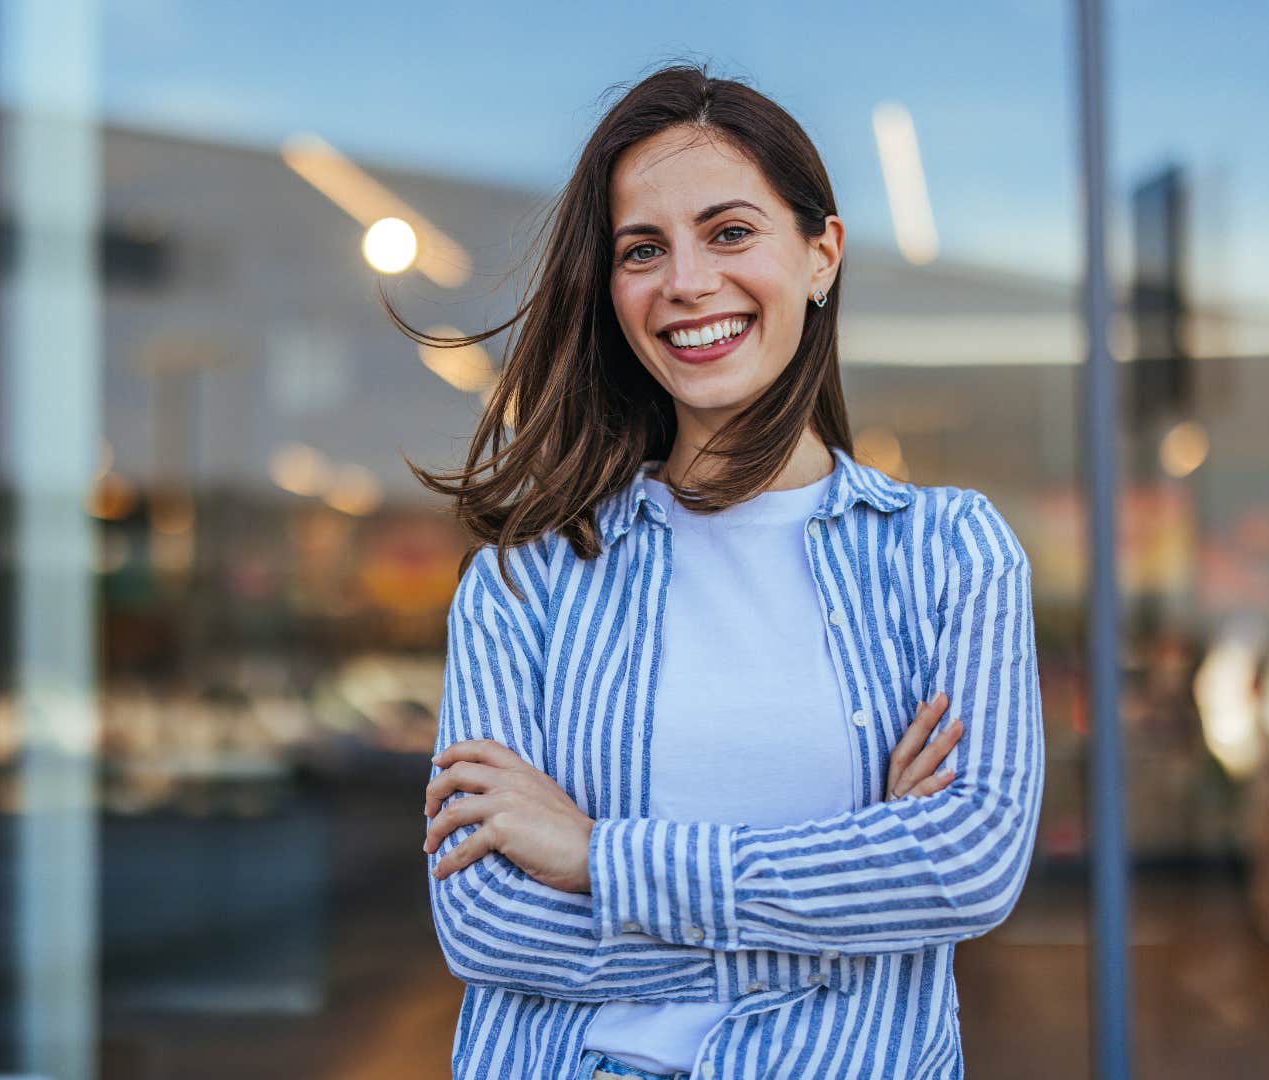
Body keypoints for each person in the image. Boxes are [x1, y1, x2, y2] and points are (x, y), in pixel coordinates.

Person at [396, 63, 1044, 1080]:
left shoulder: (948, 555)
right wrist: (855, 896)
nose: (687, 281)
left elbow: (965, 867)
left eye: (730, 231)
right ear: (610, 291)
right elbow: (485, 926)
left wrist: (598, 857)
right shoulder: (527, 583)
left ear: (821, 255)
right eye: (642, 249)